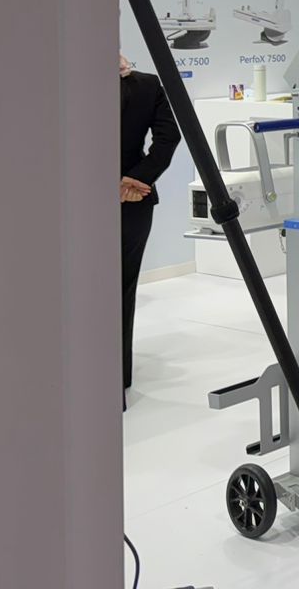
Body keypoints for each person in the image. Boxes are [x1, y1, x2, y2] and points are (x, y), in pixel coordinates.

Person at [120, 54, 180, 404]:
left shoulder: (62, 84)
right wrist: (136, 178)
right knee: (121, 289)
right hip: (132, 198)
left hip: (80, 199)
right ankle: (117, 377)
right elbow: (168, 138)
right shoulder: (146, 84)